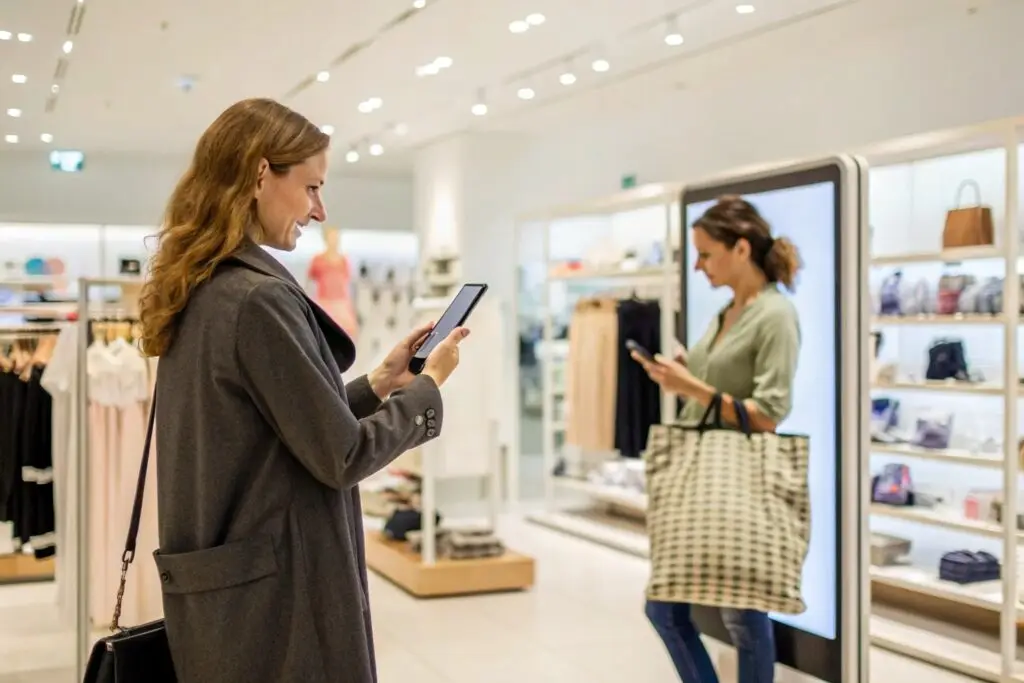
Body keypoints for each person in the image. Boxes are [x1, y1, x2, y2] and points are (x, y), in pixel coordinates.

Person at [137, 98, 468, 683]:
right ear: (262, 173)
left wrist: (378, 383)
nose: (319, 210)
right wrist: (428, 387)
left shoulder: (201, 284)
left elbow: (272, 423)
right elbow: (342, 455)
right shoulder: (257, 298)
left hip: (228, 598)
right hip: (277, 602)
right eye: (312, 187)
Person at [631, 195, 802, 683]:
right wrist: (683, 374)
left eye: (706, 254)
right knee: (666, 608)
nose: (699, 265)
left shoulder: (775, 316)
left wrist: (692, 387)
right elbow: (715, 384)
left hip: (740, 480)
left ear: (742, 249)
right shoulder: (729, 311)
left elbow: (768, 413)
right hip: (700, 475)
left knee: (743, 616)